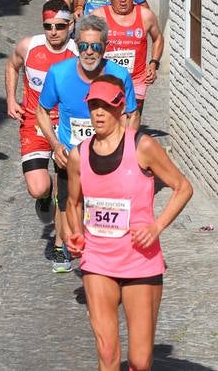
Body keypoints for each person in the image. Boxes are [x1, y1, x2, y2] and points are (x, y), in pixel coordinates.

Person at [65, 76, 193, 371]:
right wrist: (76, 233)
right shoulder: (78, 155)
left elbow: (183, 187)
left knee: (139, 361)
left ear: (121, 107)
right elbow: (73, 203)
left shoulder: (142, 146)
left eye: (106, 106)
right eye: (93, 106)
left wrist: (156, 227)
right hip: (98, 260)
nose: (99, 113)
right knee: (107, 352)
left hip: (140, 261)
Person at [35, 14, 139, 276]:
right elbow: (42, 111)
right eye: (83, 45)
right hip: (70, 154)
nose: (89, 52)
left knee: (104, 207)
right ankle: (63, 245)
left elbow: (131, 114)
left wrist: (126, 148)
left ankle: (104, 253)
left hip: (107, 155)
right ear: (76, 44)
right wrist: (55, 144)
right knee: (68, 203)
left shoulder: (119, 75)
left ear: (105, 47)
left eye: (95, 46)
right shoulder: (59, 73)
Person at [5, 0, 77, 271]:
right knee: (38, 188)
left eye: (60, 26)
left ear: (70, 25)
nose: (54, 32)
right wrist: (11, 98)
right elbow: (12, 66)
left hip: (66, 128)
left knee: (64, 192)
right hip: (34, 125)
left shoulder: (78, 52)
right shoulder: (28, 46)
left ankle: (60, 247)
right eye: (48, 26)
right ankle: (45, 198)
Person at [92, 0, 163, 114]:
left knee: (133, 119)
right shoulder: (98, 16)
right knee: (110, 120)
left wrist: (154, 63)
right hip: (107, 78)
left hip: (136, 79)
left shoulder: (146, 15)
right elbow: (84, 44)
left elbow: (158, 38)